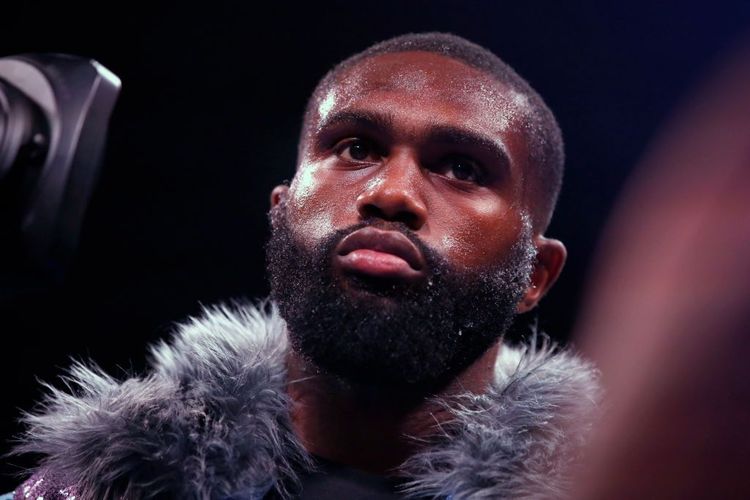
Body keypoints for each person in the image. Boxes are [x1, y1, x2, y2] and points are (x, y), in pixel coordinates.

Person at [5, 33, 599, 499]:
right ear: (281, 211)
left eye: (461, 168)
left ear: (535, 275)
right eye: (357, 148)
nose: (392, 193)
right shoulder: (107, 483)